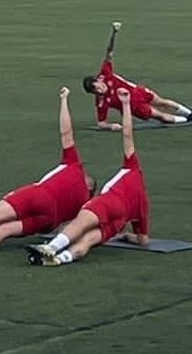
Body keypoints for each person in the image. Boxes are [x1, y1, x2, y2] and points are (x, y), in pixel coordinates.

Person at [0, 88, 96, 254]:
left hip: (40, 195)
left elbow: (66, 132)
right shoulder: (83, 204)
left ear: (88, 183)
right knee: (6, 230)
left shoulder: (75, 166)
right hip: (49, 220)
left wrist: (64, 100)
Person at [26, 102, 150, 266]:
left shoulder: (132, 168)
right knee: (89, 239)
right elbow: (143, 240)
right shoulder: (143, 204)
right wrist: (127, 236)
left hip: (109, 202)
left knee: (80, 224)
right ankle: (61, 259)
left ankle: (52, 248)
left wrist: (126, 105)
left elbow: (127, 135)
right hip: (120, 218)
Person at [83, 21, 192, 129]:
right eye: (96, 92)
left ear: (98, 80)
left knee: (162, 101)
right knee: (161, 116)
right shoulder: (101, 101)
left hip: (138, 91)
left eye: (98, 87)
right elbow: (101, 123)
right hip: (134, 107)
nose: (99, 91)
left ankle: (190, 113)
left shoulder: (105, 74)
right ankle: (188, 119)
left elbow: (109, 52)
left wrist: (114, 33)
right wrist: (111, 126)